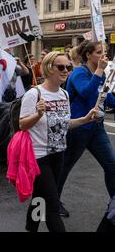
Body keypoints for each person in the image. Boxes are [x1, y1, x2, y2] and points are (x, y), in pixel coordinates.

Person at [19, 52, 96, 232]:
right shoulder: (34, 94)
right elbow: (22, 125)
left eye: (68, 67)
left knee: (40, 196)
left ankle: (31, 228)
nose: (65, 71)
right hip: (38, 158)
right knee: (52, 205)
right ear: (48, 68)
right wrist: (38, 114)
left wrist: (85, 119)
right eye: (60, 67)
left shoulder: (64, 95)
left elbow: (64, 125)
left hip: (58, 155)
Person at [57, 40, 115, 217]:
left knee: (112, 165)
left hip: (96, 129)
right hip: (78, 127)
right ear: (88, 55)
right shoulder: (78, 74)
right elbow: (87, 93)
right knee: (65, 166)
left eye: (103, 52)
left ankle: (114, 203)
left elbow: (107, 97)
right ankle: (53, 202)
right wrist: (99, 71)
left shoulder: (101, 74)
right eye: (98, 52)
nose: (103, 56)